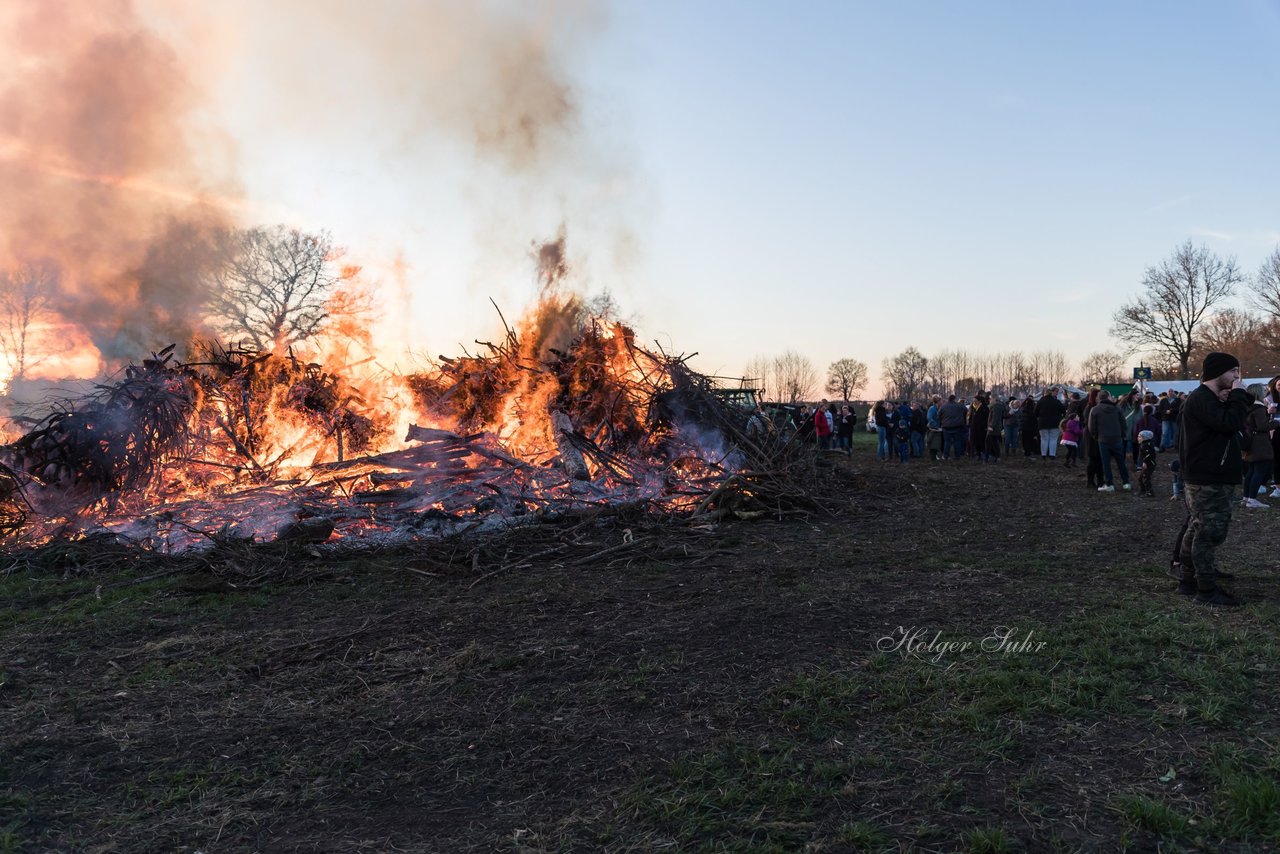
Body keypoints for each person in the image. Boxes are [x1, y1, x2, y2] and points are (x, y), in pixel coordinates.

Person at [1172, 351, 1250, 606]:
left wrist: (1230, 398)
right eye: (1233, 372)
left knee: (1198, 528)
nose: (1237, 377)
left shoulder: (1205, 398)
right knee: (1209, 532)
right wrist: (1239, 396)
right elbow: (1228, 424)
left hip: (1207, 474)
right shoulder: (1202, 399)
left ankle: (1188, 580)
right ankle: (1206, 590)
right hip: (1208, 477)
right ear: (1218, 372)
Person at [1089, 390, 1131, 492]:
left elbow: (1092, 427)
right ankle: (1126, 483)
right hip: (1117, 438)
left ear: (1099, 398)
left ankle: (1110, 484)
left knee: (1106, 463)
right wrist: (1121, 435)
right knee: (1121, 462)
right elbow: (1123, 424)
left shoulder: (1095, 410)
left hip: (1103, 439)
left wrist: (1096, 437)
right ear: (1108, 397)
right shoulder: (1117, 409)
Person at [1240, 384, 1274, 508]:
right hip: (1260, 444)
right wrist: (1276, 423)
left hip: (1250, 442)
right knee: (1259, 471)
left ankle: (1246, 497)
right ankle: (1252, 499)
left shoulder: (1247, 408)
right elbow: (1262, 426)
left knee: (1251, 471)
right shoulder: (1259, 408)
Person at [1036, 387, 1066, 461]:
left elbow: (1035, 412)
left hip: (1043, 423)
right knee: (1053, 439)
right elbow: (1063, 410)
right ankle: (1052, 455)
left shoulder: (1040, 401)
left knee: (1044, 439)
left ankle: (1043, 455)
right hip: (1055, 423)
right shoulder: (1056, 401)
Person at [939, 394, 967, 460]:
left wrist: (942, 421)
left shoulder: (943, 406)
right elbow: (966, 411)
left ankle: (945, 456)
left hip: (946, 426)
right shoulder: (959, 406)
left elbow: (938, 414)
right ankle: (957, 456)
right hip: (957, 426)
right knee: (957, 441)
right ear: (954, 399)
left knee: (947, 442)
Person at [1136, 429, 1158, 495]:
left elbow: (1149, 454)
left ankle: (1149, 492)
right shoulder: (1144, 444)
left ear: (1145, 438)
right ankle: (1143, 490)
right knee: (1140, 478)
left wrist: (1145, 462)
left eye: (1140, 437)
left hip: (1150, 464)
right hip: (1147, 464)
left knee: (1145, 477)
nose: (1138, 438)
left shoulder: (1145, 445)